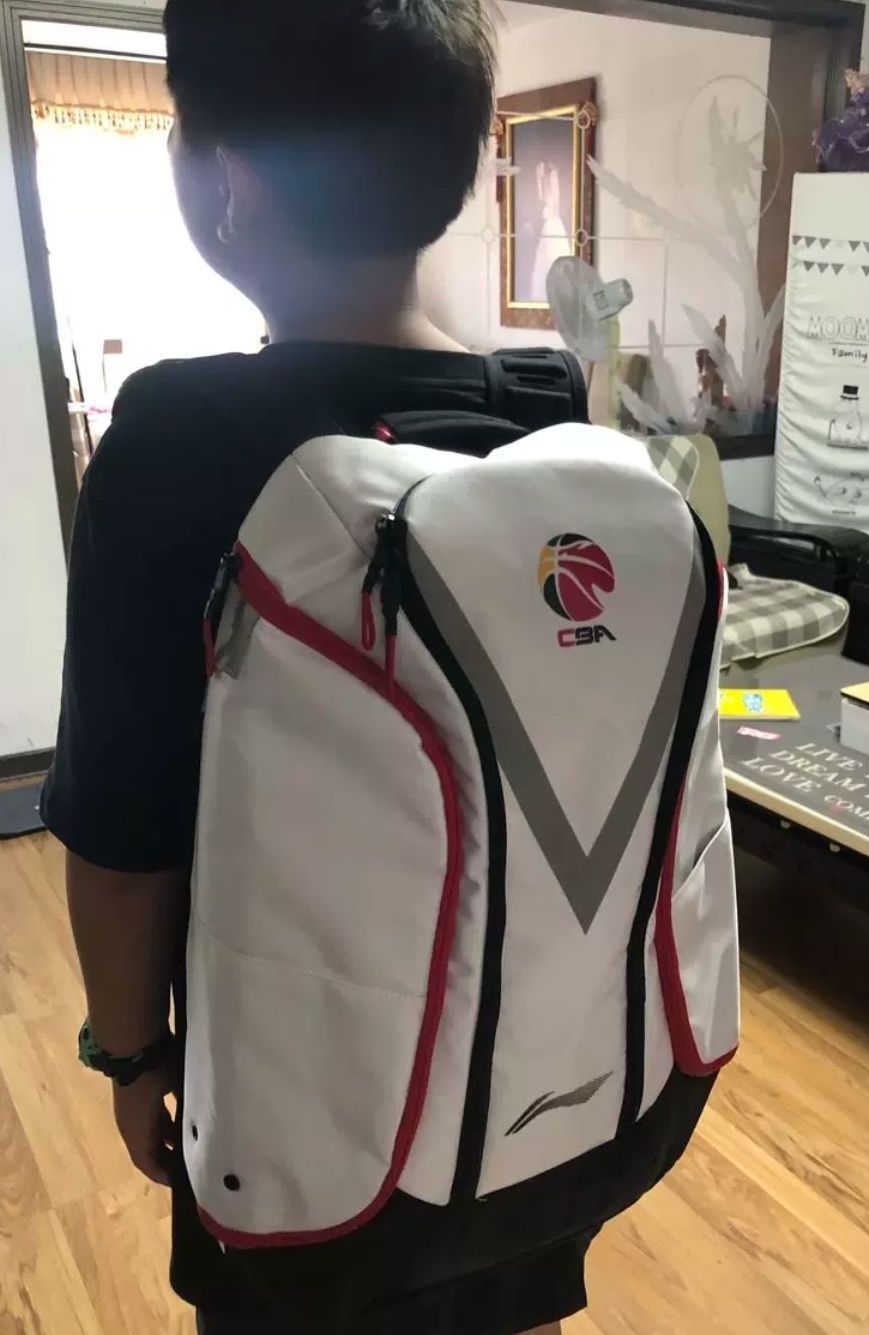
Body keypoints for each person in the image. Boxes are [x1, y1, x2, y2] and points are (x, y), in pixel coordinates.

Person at [42, 2, 585, 1330]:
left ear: (226, 182)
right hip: (528, 1071)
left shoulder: (177, 434)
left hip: (299, 1098)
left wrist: (130, 1054)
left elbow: (122, 837)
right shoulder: (544, 408)